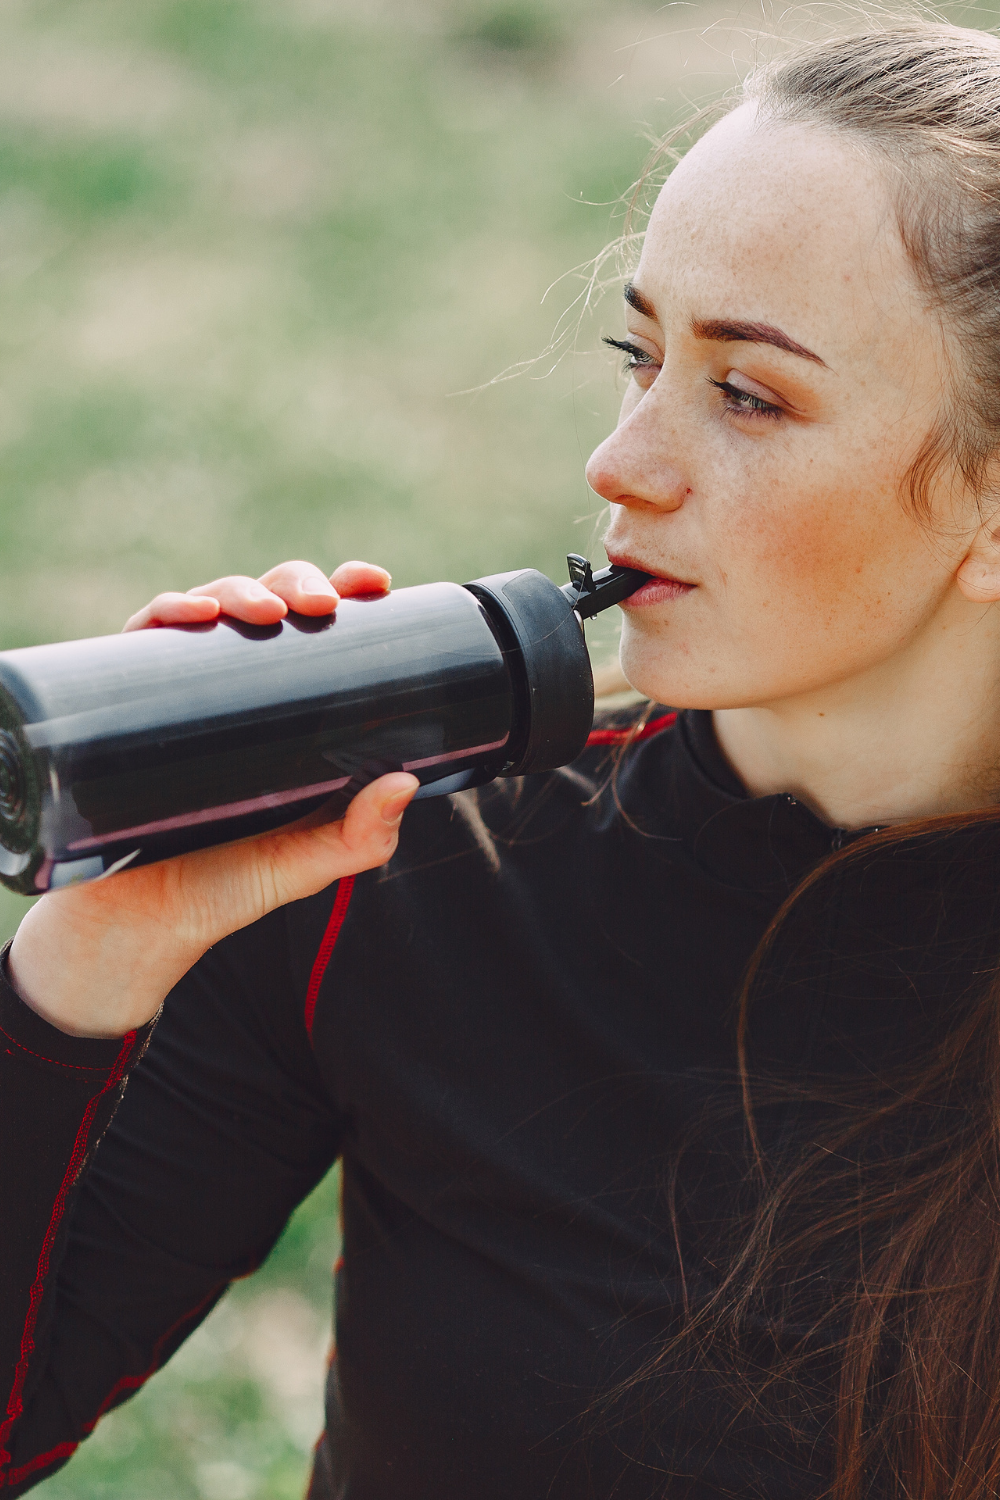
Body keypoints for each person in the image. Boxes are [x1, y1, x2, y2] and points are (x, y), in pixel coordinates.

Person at [5, 19, 1000, 1498]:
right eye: (640, 353)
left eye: (748, 394)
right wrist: (74, 982)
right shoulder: (415, 856)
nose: (622, 460)